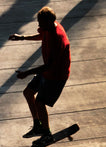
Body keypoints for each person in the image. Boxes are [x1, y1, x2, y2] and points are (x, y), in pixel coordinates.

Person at [9, 6, 71, 138]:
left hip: (57, 75)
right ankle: (38, 125)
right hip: (48, 72)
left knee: (39, 102)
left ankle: (46, 132)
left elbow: (49, 66)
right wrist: (22, 38)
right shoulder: (49, 28)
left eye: (41, 23)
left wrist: (27, 73)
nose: (39, 25)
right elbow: (41, 36)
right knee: (28, 92)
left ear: (49, 21)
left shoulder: (57, 38)